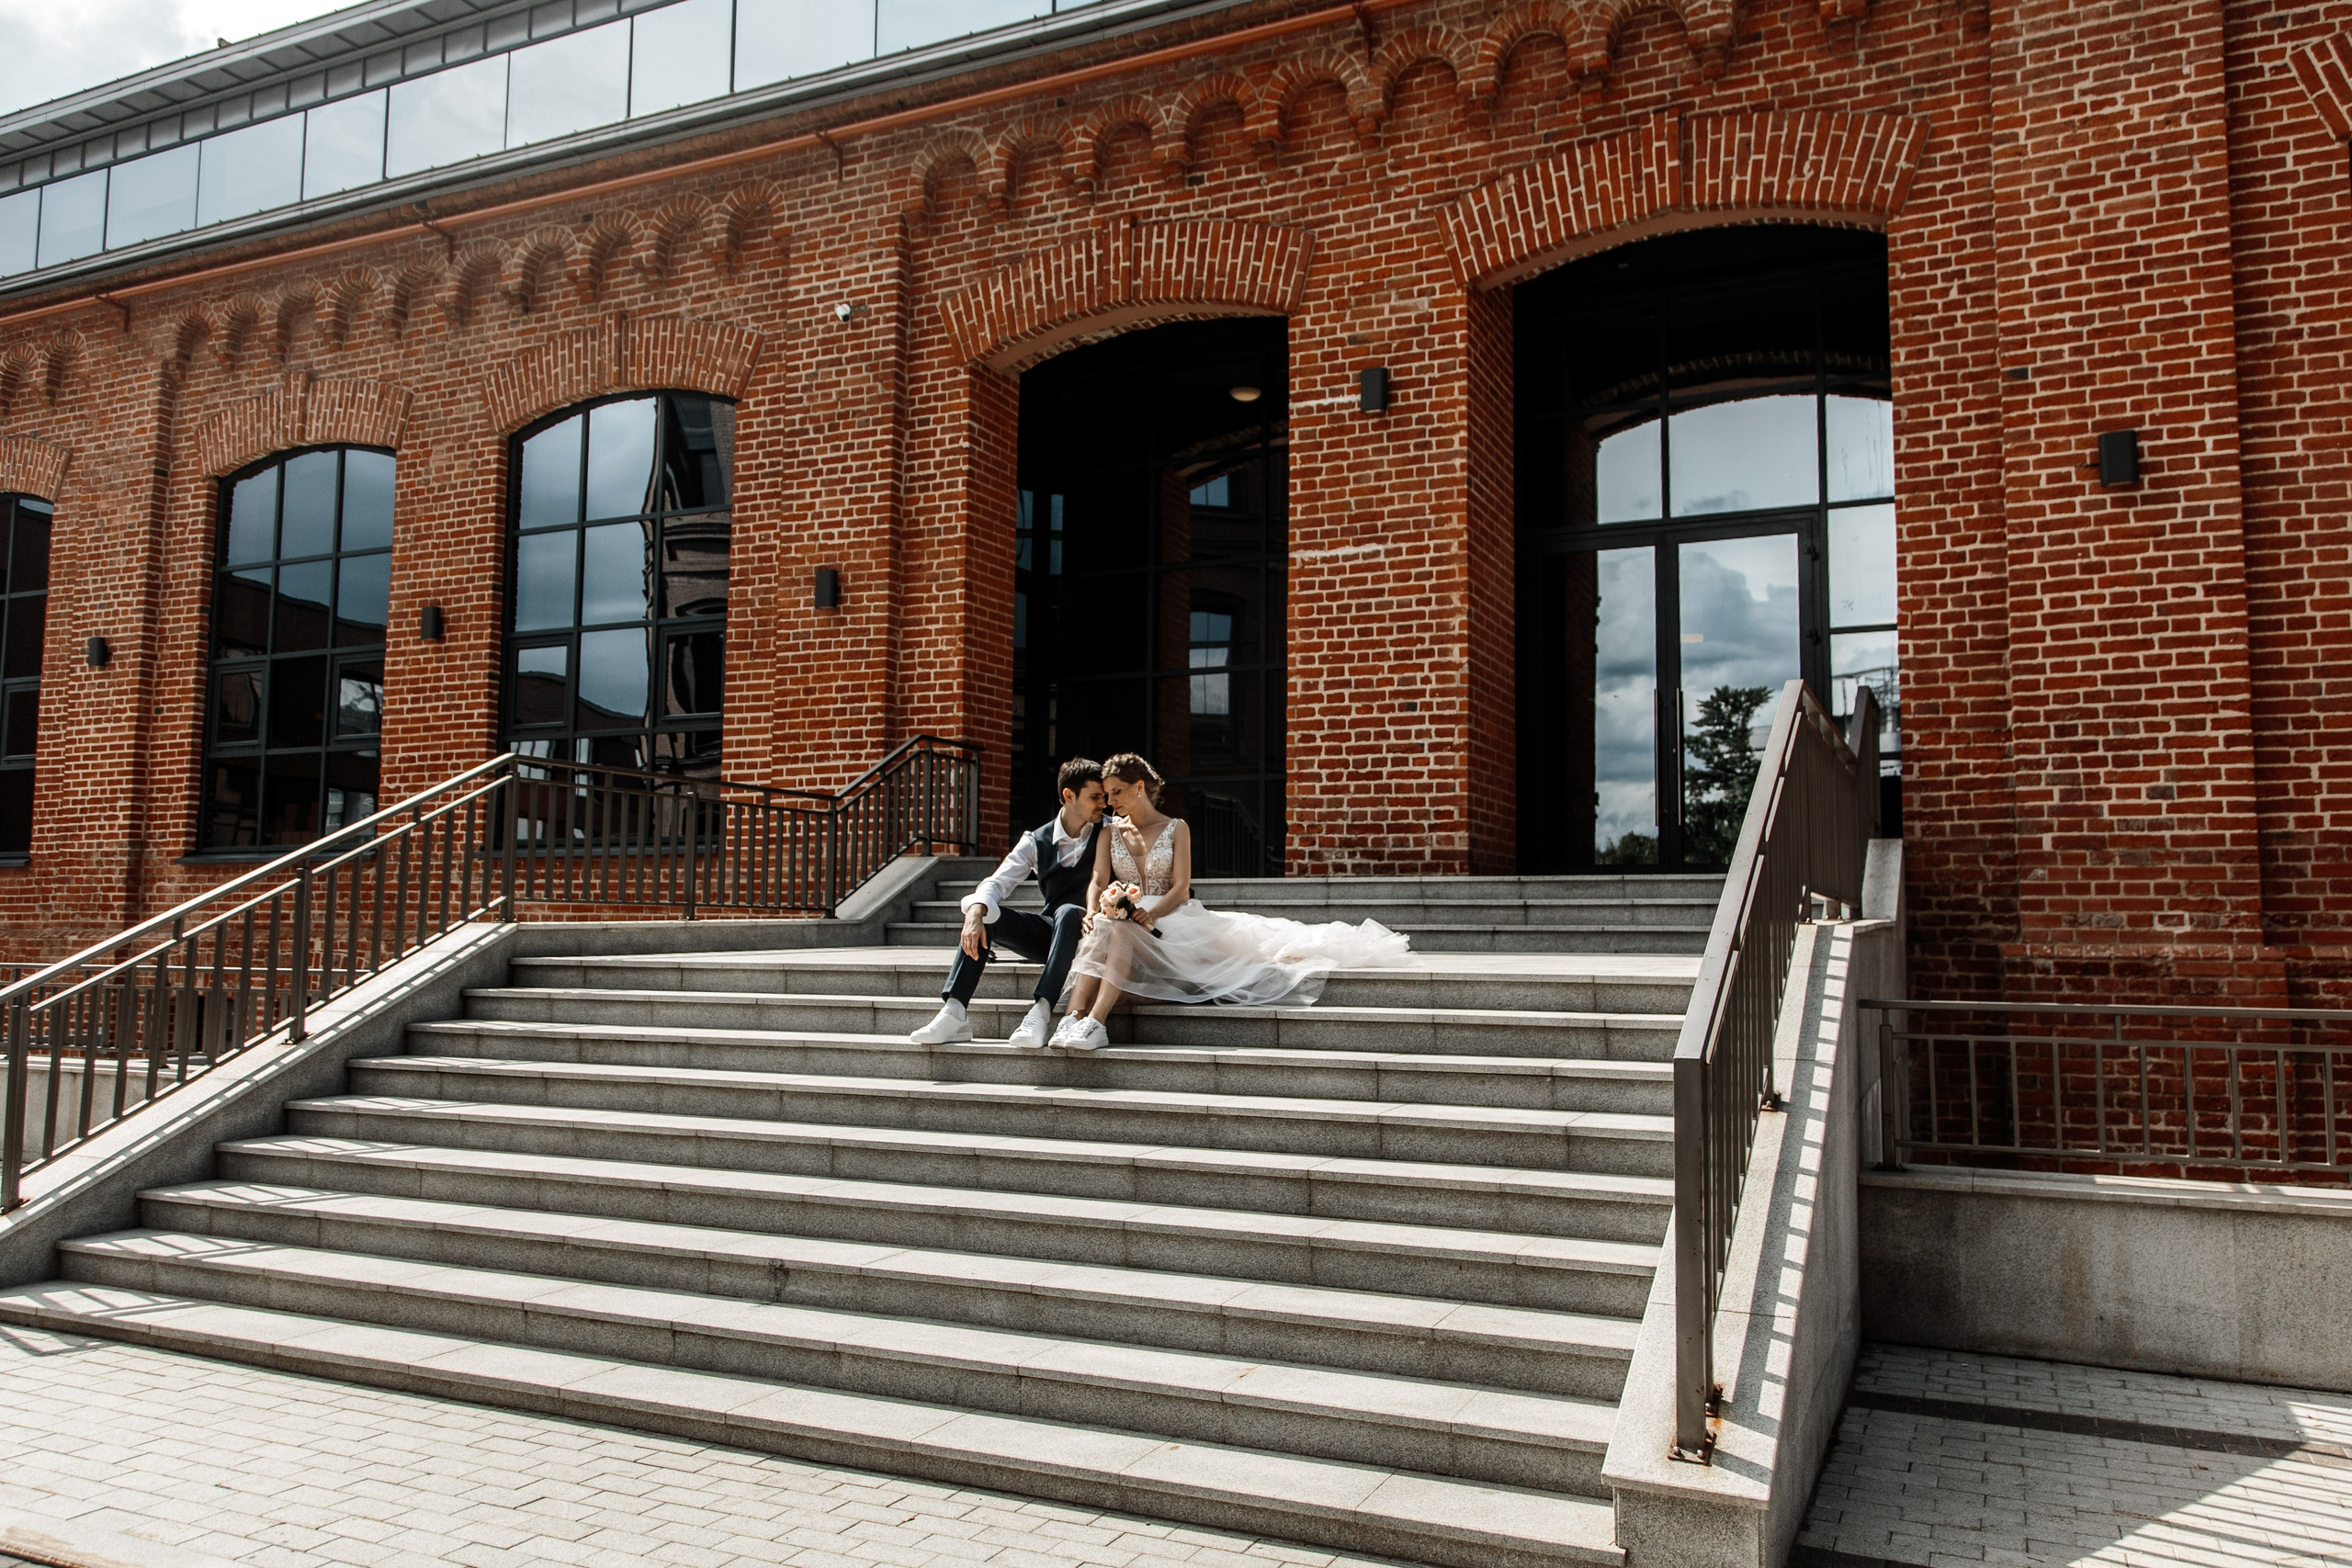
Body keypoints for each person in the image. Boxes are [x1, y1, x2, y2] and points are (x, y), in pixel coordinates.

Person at [1050, 752, 1411, 1050]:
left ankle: (1095, 1023)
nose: (1110, 802)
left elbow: (1181, 889)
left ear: (1139, 787)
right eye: (1107, 794)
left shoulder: (1177, 828)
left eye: (1116, 792)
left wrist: (1148, 914)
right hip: (1124, 918)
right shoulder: (1110, 832)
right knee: (1104, 927)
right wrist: (1097, 906)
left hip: (1170, 917)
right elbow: (1098, 880)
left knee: (1122, 932)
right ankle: (1072, 1020)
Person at [910, 757, 1108, 1049]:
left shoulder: (1112, 830)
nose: (1103, 803)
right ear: (1069, 795)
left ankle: (1039, 1014)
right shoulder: (1036, 840)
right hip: (1054, 936)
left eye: (1103, 796)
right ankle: (954, 1013)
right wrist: (976, 910)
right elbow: (998, 881)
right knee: (989, 916)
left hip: (1095, 935)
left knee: (1068, 913)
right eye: (1095, 797)